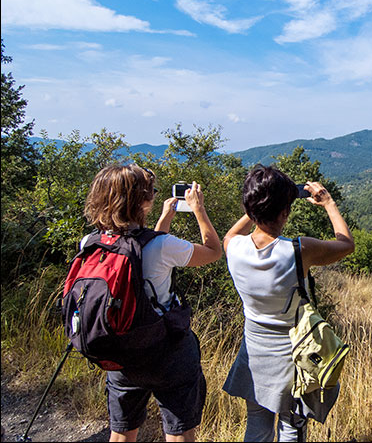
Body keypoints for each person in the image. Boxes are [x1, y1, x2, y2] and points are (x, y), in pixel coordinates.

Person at [82, 164, 222, 442]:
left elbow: (145, 248)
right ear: (143, 201)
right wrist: (198, 209)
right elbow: (213, 251)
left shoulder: (90, 243)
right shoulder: (163, 247)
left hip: (120, 352)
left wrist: (164, 217)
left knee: (121, 432)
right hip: (166, 354)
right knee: (178, 430)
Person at [222, 164, 354, 442]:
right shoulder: (298, 250)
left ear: (250, 206)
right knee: (292, 425)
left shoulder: (233, 247)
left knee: (257, 423)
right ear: (285, 211)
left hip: (254, 349)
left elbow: (231, 234)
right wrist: (329, 203)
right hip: (292, 356)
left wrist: (257, 205)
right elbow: (346, 244)